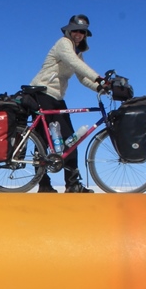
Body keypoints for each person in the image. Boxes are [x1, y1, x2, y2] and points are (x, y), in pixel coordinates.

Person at [29, 14, 103, 193]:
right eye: (76, 30)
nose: (78, 34)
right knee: (42, 140)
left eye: (82, 32)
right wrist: (100, 79)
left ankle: (72, 184)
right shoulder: (63, 44)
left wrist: (102, 88)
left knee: (71, 140)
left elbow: (82, 78)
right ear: (69, 30)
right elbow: (75, 64)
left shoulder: (77, 51)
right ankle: (43, 183)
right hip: (42, 93)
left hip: (57, 98)